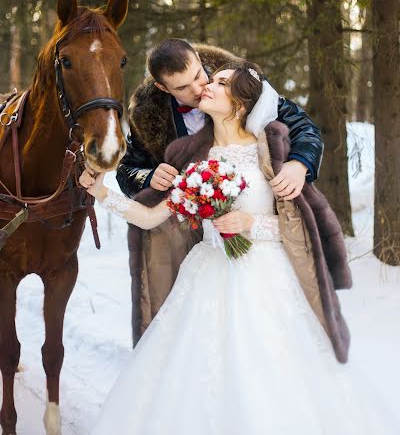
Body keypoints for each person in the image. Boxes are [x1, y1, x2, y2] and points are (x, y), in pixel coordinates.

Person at [81, 62, 394, 435]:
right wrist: (101, 193)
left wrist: (251, 224)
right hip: (205, 275)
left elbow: (295, 227)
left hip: (266, 279)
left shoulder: (271, 149)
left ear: (243, 102)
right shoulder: (196, 160)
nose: (206, 87)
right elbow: (151, 218)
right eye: (210, 80)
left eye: (220, 82)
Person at [116, 39, 325, 344]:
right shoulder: (147, 113)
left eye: (200, 75)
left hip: (255, 239)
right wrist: (148, 176)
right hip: (183, 229)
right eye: (183, 88)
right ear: (163, 89)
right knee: (185, 330)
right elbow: (126, 170)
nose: (199, 88)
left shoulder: (236, 83)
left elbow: (302, 126)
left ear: (200, 60)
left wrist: (299, 163)